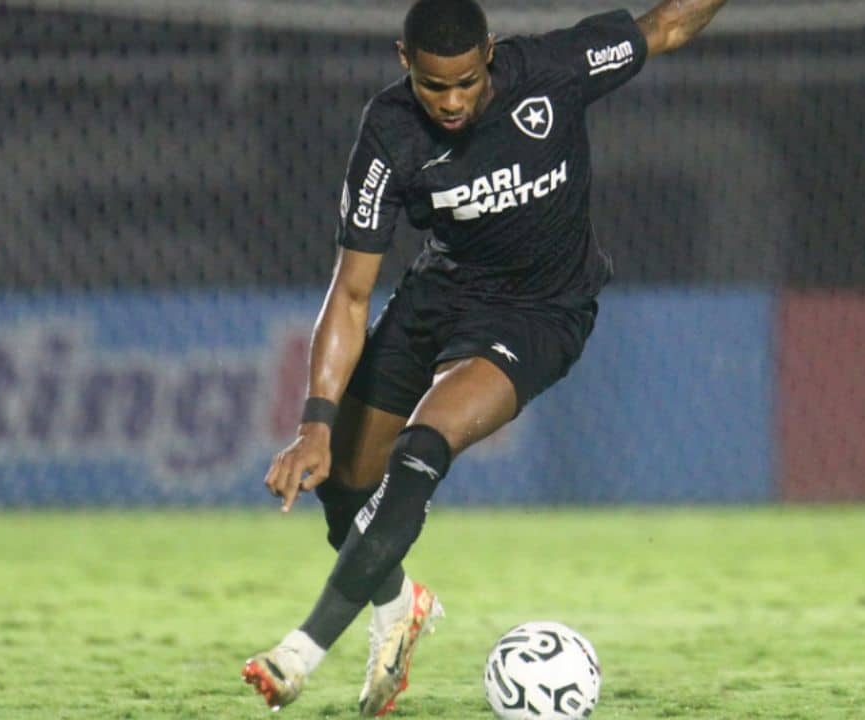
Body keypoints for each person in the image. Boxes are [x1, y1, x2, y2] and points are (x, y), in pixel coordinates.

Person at [242, 0, 729, 715]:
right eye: (434, 85)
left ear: (490, 56)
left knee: (418, 453)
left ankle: (300, 652)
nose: (452, 101)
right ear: (404, 62)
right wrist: (315, 420)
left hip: (541, 313)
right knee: (345, 484)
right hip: (439, 295)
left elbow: (667, 26)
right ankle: (400, 605)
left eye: (466, 82)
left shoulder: (552, 74)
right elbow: (350, 294)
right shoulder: (388, 134)